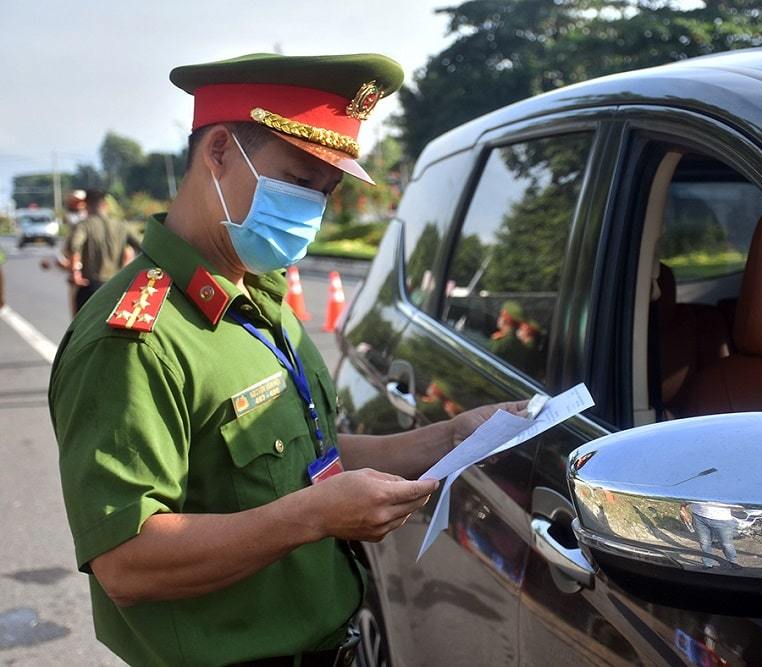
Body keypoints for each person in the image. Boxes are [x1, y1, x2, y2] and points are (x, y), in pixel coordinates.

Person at [48, 53, 525, 666]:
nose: (313, 210)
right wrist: (313, 517)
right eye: (298, 182)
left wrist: (453, 435)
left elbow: (302, 455)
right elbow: (128, 563)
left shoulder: (259, 295)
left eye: (326, 192)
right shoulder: (135, 339)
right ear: (219, 152)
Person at [65, 188, 141, 313]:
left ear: (86, 205)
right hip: (117, 286)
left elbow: (74, 246)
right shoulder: (122, 225)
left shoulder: (84, 225)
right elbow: (142, 246)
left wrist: (75, 272)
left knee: (81, 329)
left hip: (91, 287)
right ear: (105, 205)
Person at [687, 502, 741, 568]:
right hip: (699, 516)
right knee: (704, 543)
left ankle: (733, 562)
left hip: (722, 518)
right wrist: (683, 506)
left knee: (726, 544)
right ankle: (708, 564)